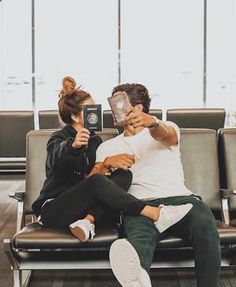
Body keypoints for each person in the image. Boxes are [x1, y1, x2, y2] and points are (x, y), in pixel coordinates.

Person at [95, 83, 221, 287]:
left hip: (181, 200)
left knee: (206, 227)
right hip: (140, 206)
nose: (113, 109)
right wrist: (106, 163)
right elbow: (95, 184)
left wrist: (152, 123)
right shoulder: (106, 147)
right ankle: (138, 279)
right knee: (137, 244)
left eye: (119, 104)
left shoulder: (165, 128)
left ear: (138, 108)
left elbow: (165, 134)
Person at [32, 88, 192, 243]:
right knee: (98, 183)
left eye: (96, 108)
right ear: (75, 116)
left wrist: (107, 164)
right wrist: (72, 146)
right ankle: (153, 213)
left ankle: (87, 222)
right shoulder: (60, 138)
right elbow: (56, 157)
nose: (95, 112)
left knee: (123, 175)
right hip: (55, 209)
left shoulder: (95, 141)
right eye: (90, 109)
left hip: (82, 207)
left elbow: (90, 180)